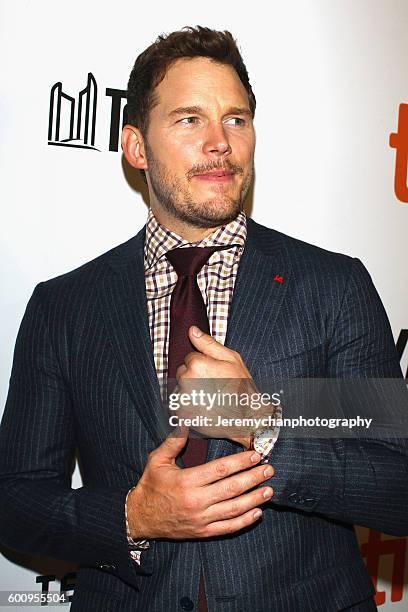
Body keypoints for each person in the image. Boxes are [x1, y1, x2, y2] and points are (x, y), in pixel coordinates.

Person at [0, 25, 407, 612]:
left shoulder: (331, 286)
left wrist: (261, 425)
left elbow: (397, 484)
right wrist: (134, 516)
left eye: (236, 120)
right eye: (189, 119)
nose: (220, 142)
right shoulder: (65, 307)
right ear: (137, 148)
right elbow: (17, 502)